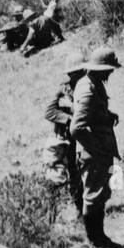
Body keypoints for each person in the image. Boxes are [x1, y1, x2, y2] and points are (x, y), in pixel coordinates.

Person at [70, 47, 124, 248]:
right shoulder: (87, 88)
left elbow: (92, 114)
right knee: (93, 196)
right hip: (93, 153)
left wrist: (107, 115)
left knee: (100, 194)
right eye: (109, 69)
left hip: (99, 150)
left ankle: (101, 238)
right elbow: (76, 127)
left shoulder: (93, 83)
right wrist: (96, 149)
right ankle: (95, 242)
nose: (111, 72)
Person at [42, 50, 86, 216]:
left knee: (76, 177)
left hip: (78, 140)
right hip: (61, 140)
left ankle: (81, 212)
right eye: (76, 72)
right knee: (55, 178)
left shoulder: (86, 87)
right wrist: (70, 119)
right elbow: (49, 112)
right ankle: (50, 216)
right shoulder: (63, 90)